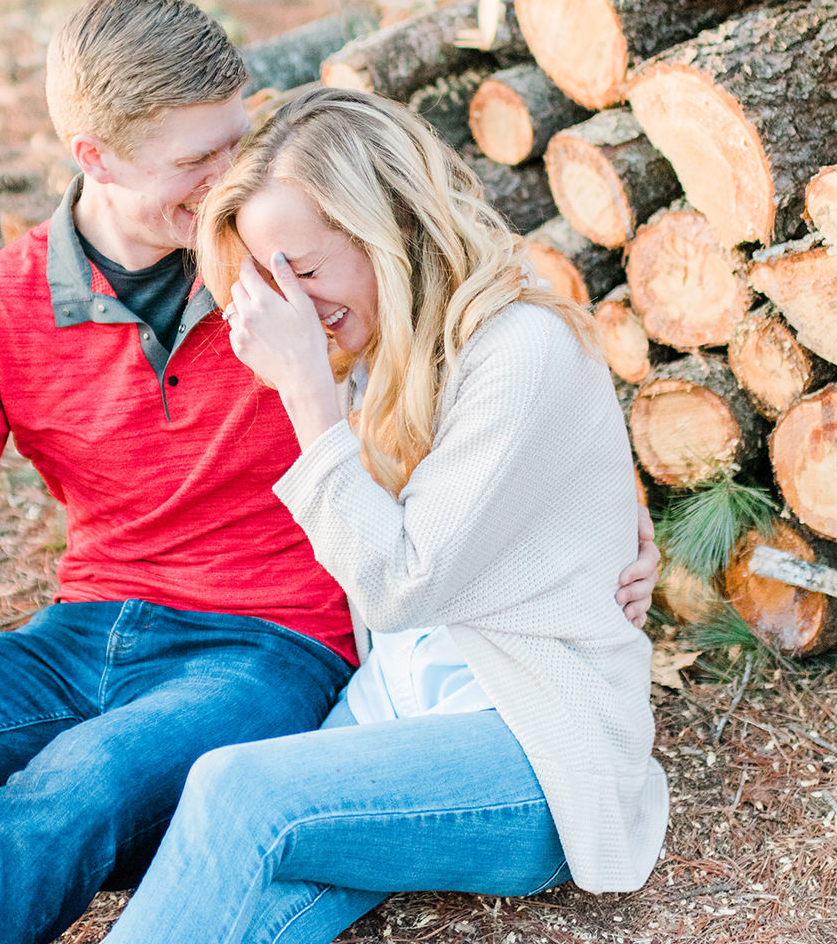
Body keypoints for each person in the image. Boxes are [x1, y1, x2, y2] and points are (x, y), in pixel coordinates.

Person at [0, 0, 660, 944]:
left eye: (238, 139)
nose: (229, 178)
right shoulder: (1, 308)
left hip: (264, 650)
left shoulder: (287, 269)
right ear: (99, 157)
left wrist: (616, 518)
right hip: (80, 638)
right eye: (197, 161)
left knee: (65, 789)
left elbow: (476, 335)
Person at [102, 86, 669, 944]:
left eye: (306, 267)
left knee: (237, 792)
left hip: (530, 751)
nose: (290, 303)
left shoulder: (517, 352)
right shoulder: (376, 351)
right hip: (398, 711)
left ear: (392, 227)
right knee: (240, 906)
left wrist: (308, 397)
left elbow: (401, 585)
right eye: (268, 275)